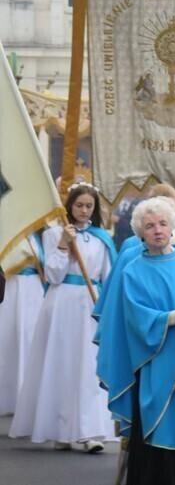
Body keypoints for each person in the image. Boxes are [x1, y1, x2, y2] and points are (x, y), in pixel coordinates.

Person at [98, 197, 175, 485]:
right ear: (140, 233)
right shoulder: (133, 269)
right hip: (155, 361)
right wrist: (173, 316)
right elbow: (135, 317)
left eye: (162, 224)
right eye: (149, 226)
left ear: (173, 227)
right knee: (158, 436)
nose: (157, 230)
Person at [10, 183, 117, 452]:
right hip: (61, 304)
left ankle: (88, 430)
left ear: (94, 209)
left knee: (89, 366)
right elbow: (54, 275)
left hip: (90, 304)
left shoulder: (101, 237)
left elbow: (108, 275)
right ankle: (61, 427)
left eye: (88, 206)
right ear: (70, 206)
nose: (83, 210)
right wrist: (62, 245)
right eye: (79, 205)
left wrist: (105, 305)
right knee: (62, 364)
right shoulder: (55, 233)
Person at [0, 234, 46, 415]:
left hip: (34, 290)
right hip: (12, 287)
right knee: (9, 339)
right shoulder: (8, 231)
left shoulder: (39, 236)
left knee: (31, 339)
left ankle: (29, 398)